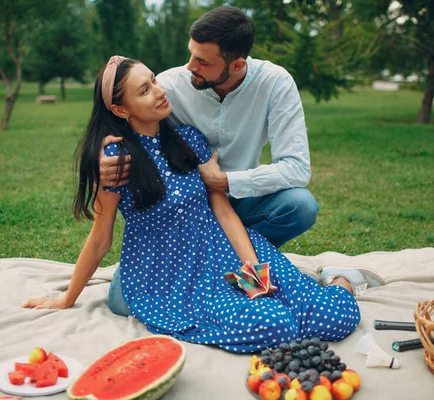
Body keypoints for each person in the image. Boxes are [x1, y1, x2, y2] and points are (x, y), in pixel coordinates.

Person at [22, 56, 369, 353]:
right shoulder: (117, 158)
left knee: (333, 317)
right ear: (119, 108)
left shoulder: (187, 140)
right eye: (144, 90)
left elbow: (221, 209)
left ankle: (342, 280)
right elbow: (100, 237)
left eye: (154, 81)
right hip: (168, 273)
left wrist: (253, 270)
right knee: (273, 325)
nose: (159, 91)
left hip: (222, 248)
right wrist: (67, 298)